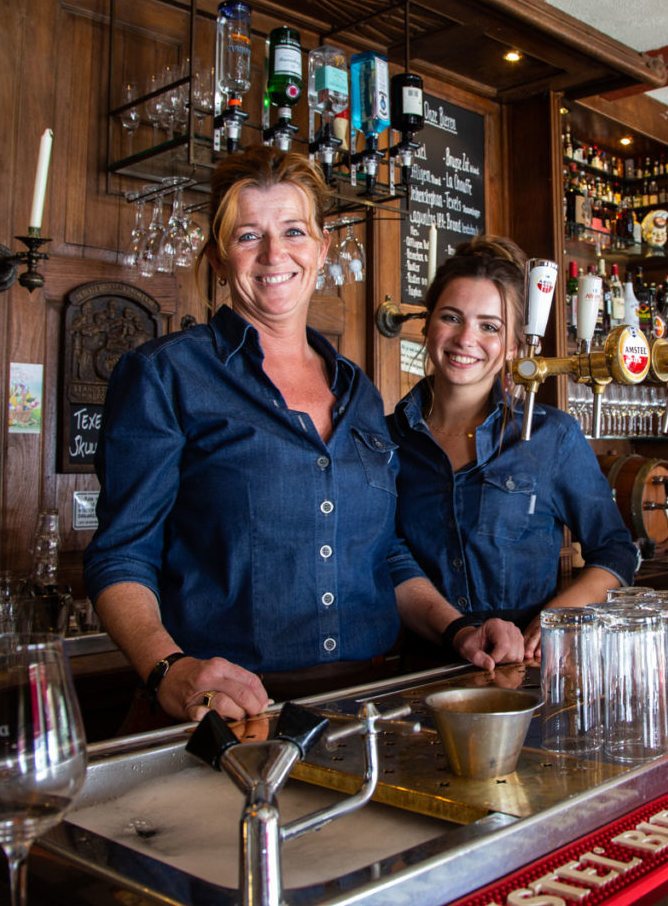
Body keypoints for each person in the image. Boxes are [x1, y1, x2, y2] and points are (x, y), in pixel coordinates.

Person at [83, 147, 522, 725]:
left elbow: (381, 551)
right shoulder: (166, 375)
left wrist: (457, 628)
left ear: (320, 249)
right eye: (247, 236)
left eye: (293, 230)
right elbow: (122, 553)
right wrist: (166, 666)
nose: (273, 254)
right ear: (218, 259)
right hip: (228, 714)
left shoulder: (359, 392)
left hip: (367, 704)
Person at [388, 235, 639, 657]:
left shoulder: (551, 437)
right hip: (420, 671)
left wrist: (554, 619)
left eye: (490, 326)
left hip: (522, 667)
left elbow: (615, 553)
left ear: (514, 346)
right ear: (428, 325)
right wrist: (456, 632)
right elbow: (386, 559)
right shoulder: (386, 440)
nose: (466, 338)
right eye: (451, 317)